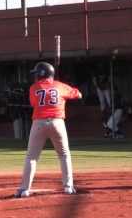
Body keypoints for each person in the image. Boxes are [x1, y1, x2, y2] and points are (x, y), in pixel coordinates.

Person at [15, 62, 83, 198]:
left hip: (39, 123)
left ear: (41, 74)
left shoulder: (34, 87)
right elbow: (79, 95)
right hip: (57, 122)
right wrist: (64, 88)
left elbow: (34, 103)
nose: (35, 76)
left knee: (31, 157)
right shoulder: (60, 86)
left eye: (36, 74)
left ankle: (24, 189)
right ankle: (68, 187)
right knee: (64, 155)